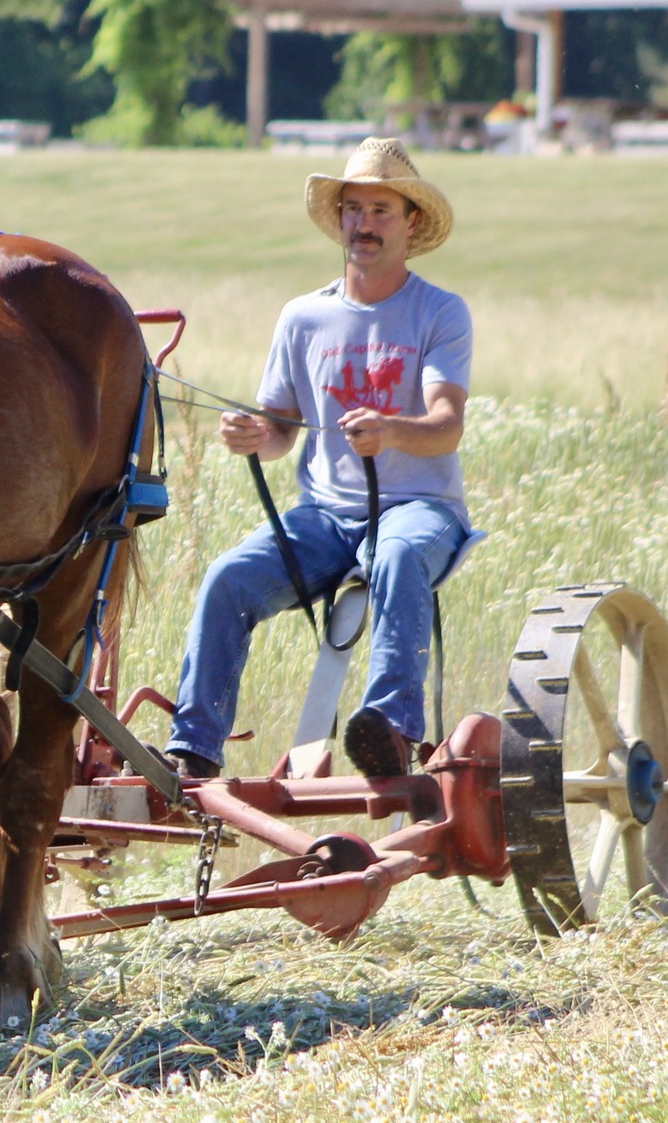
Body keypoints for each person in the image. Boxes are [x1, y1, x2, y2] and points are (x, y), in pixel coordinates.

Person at [165, 138, 477, 780]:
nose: (364, 224)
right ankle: (192, 752)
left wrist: (391, 430)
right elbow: (280, 429)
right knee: (227, 579)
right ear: (339, 220)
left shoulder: (440, 312)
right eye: (354, 208)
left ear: (411, 222)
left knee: (395, 552)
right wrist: (255, 436)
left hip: (421, 509)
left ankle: (390, 728)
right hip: (324, 517)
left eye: (381, 210)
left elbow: (446, 428)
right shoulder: (302, 318)